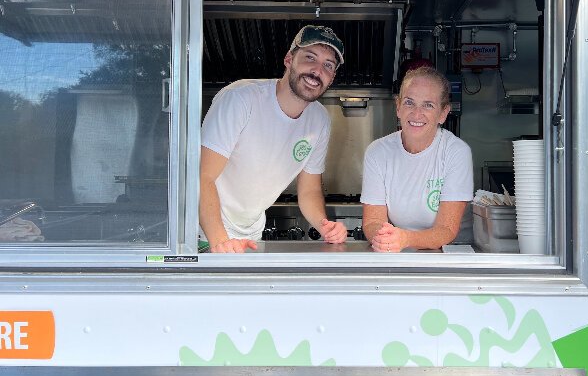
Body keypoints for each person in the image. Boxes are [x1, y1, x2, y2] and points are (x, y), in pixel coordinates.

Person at [199, 25, 348, 253]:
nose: (317, 71)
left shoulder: (319, 120)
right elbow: (203, 177)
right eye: (310, 57)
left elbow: (308, 191)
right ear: (289, 59)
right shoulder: (241, 99)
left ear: (332, 77)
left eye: (328, 65)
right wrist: (219, 241)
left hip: (249, 232)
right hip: (203, 229)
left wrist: (325, 226)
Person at [361, 67, 473, 252]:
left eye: (428, 105)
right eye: (409, 102)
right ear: (398, 107)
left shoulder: (456, 152)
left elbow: (446, 230)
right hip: (401, 251)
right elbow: (373, 221)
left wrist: (405, 238)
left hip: (452, 253)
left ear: (443, 113)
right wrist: (383, 238)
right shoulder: (378, 152)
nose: (416, 113)